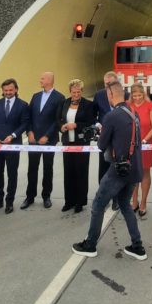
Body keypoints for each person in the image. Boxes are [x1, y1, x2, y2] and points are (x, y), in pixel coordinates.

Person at [72, 81, 147, 260]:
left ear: (111, 95)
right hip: (134, 168)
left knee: (98, 204)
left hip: (119, 170)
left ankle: (90, 245)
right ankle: (137, 246)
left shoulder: (112, 116)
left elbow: (101, 145)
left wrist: (100, 136)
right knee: (125, 205)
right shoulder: (133, 113)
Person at [21, 72, 64, 210]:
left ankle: (46, 196)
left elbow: (57, 120)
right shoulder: (36, 96)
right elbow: (29, 116)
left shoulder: (59, 98)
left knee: (47, 168)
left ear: (50, 80)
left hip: (48, 140)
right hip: (33, 139)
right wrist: (30, 132)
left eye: (42, 78)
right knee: (32, 168)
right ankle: (30, 196)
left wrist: (47, 136)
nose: (40, 80)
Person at [0, 78, 30, 214]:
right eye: (5, 90)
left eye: (10, 90)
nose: (8, 92)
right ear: (2, 91)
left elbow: (24, 124)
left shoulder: (23, 105)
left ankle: (9, 202)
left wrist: (12, 135)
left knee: (12, 174)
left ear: (16, 90)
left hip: (13, 145)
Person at [58, 79, 98, 214]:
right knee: (68, 172)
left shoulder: (88, 104)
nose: (76, 94)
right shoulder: (64, 103)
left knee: (81, 172)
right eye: (73, 92)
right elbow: (58, 119)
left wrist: (76, 125)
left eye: (78, 91)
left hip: (81, 142)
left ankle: (80, 202)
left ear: (82, 91)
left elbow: (90, 122)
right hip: (67, 142)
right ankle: (69, 201)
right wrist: (61, 127)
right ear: (70, 92)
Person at [93, 71, 127, 210]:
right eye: (106, 84)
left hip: (119, 140)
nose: (108, 86)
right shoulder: (99, 95)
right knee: (103, 169)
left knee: (118, 169)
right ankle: (103, 197)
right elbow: (93, 115)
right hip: (105, 138)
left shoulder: (124, 95)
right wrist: (97, 125)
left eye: (111, 84)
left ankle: (117, 199)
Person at [128, 83, 152, 217]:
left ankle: (144, 202)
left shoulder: (151, 106)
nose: (137, 98)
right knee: (133, 174)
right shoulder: (128, 107)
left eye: (140, 95)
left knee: (145, 172)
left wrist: (144, 140)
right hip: (132, 146)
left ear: (143, 94)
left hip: (146, 144)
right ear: (131, 96)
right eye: (135, 96)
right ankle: (134, 201)